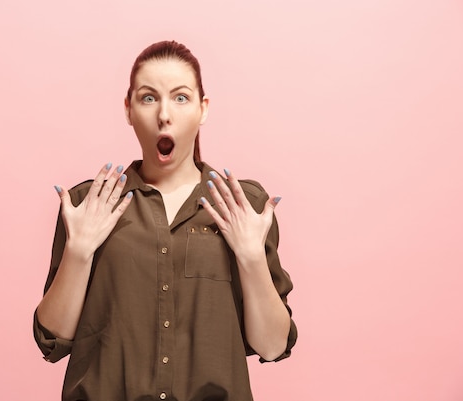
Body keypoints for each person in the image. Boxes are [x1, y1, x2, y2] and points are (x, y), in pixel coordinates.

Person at [34, 40, 297, 401]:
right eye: (148, 98)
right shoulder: (89, 205)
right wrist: (79, 251)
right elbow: (51, 340)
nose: (164, 114)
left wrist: (251, 258)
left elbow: (272, 346)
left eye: (181, 97)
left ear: (203, 109)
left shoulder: (241, 206)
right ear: (128, 109)